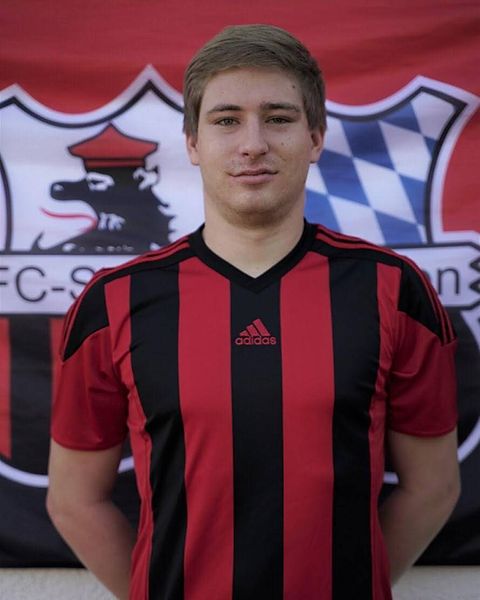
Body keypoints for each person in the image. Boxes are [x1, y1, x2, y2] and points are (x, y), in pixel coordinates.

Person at [46, 24, 460, 600]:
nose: (253, 144)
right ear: (193, 143)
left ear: (315, 137)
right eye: (226, 120)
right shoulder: (114, 302)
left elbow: (433, 486)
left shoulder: (393, 289)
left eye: (279, 118)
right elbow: (74, 499)